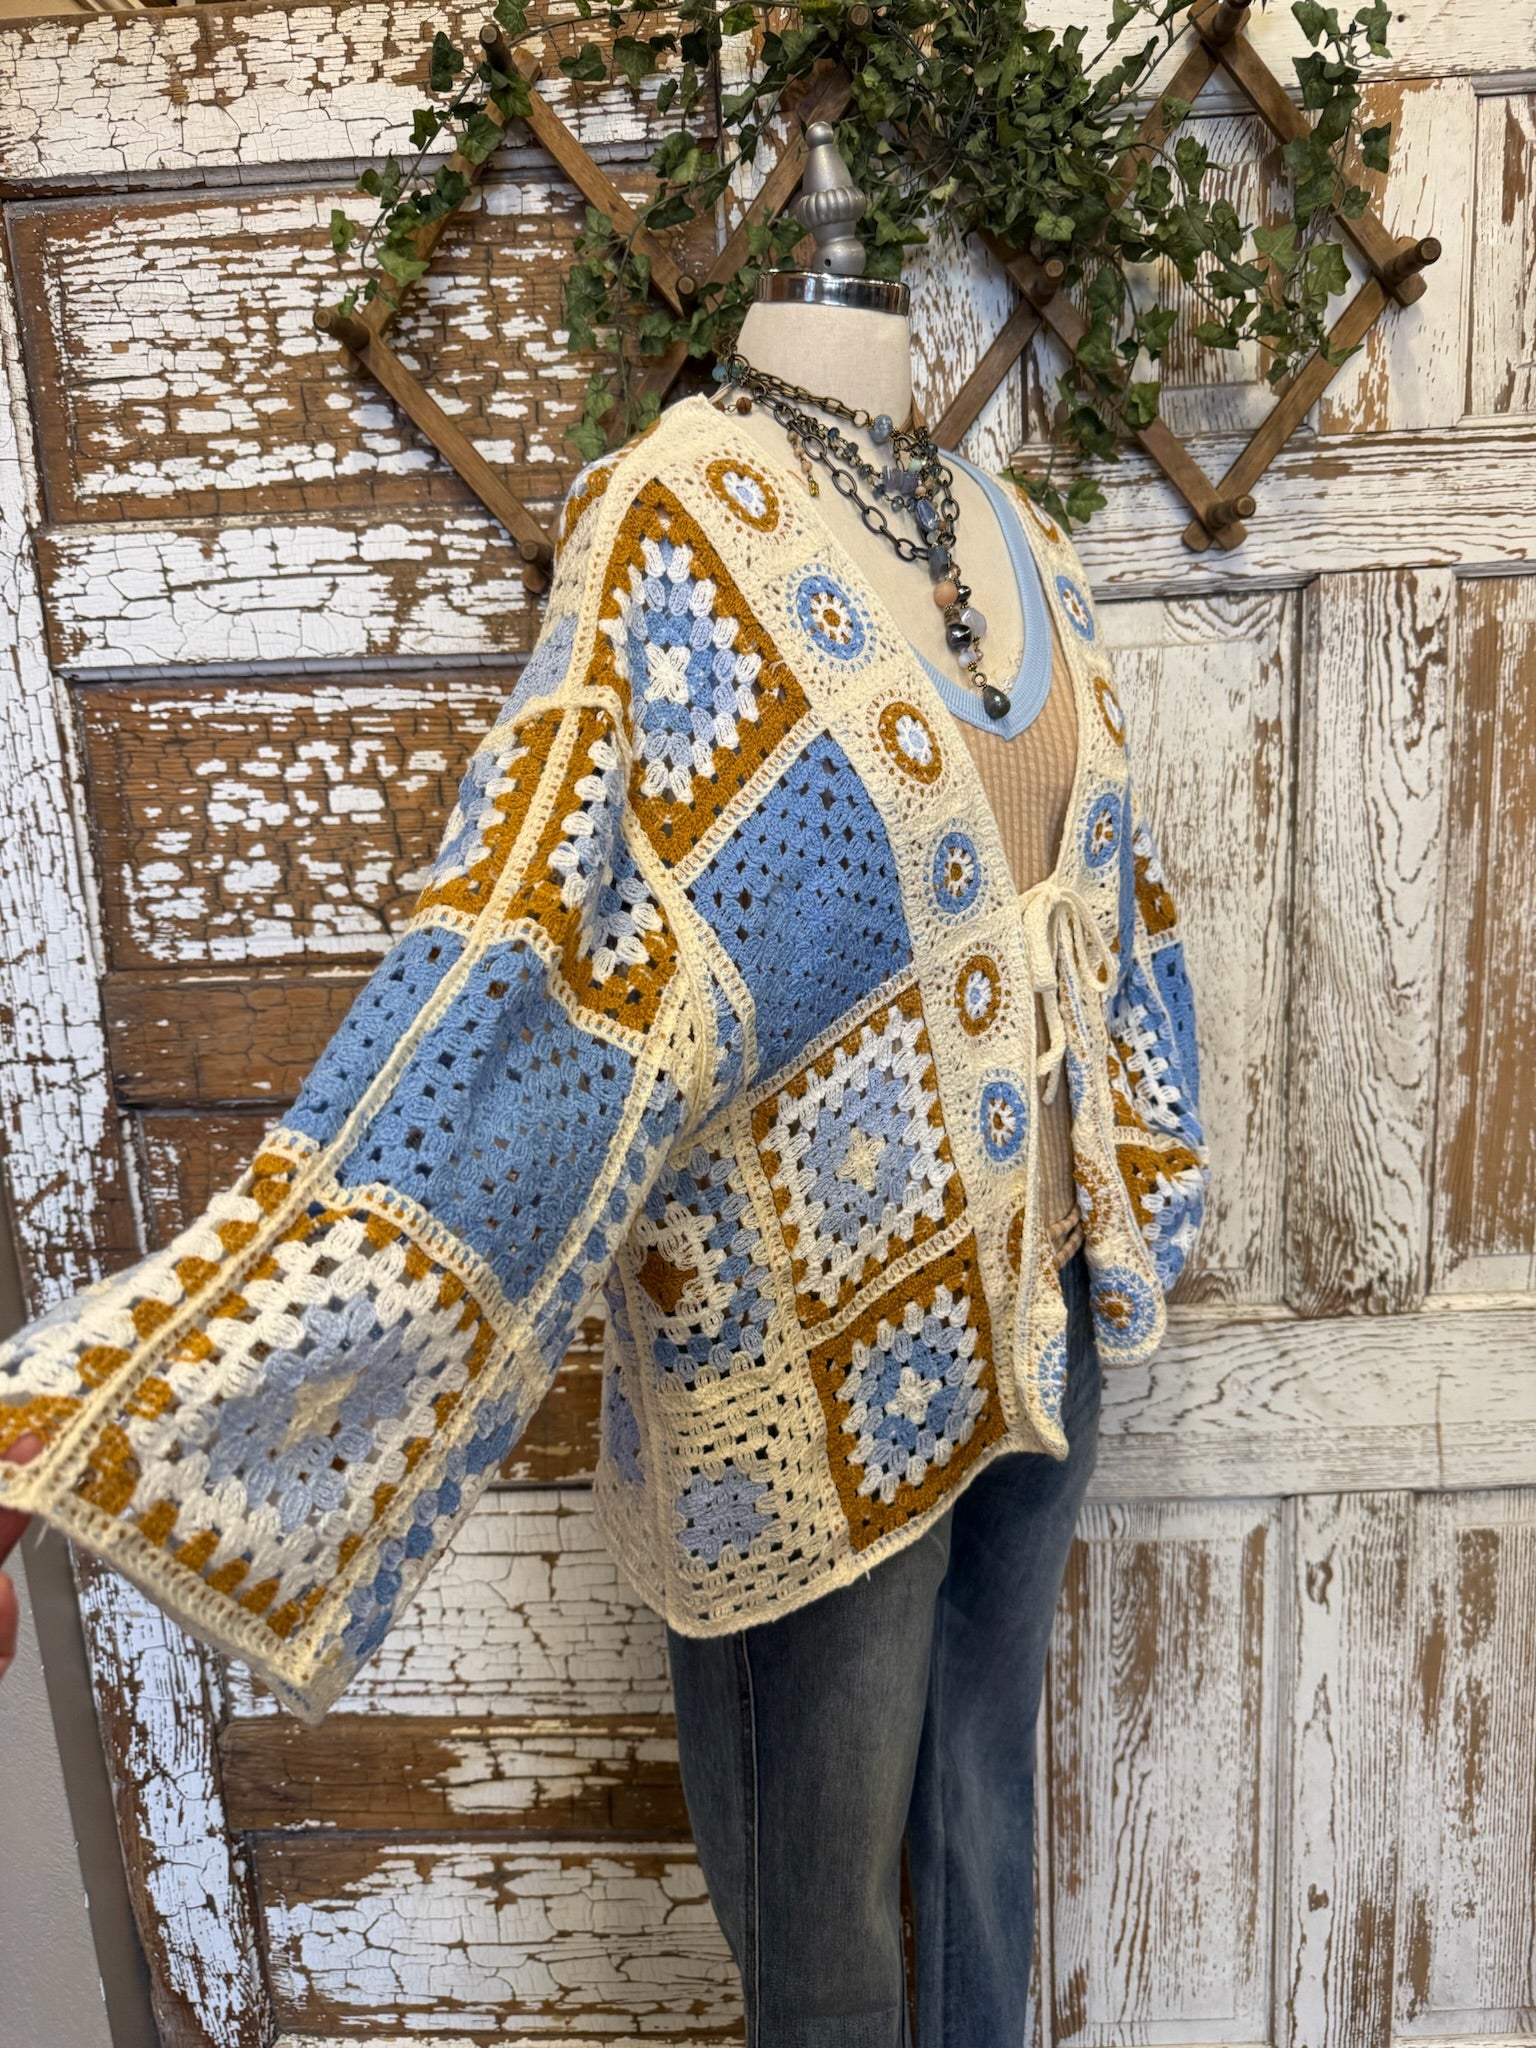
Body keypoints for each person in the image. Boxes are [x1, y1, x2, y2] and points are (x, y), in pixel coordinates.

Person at [0, 248, 1208, 2042]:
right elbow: (524, 965)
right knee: (823, 1956)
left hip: (1043, 1337)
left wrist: (1144, 1178)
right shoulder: (671, 532)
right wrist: (93, 1405)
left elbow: (1118, 920)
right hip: (802, 1387)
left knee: (977, 1836)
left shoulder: (1017, 531)